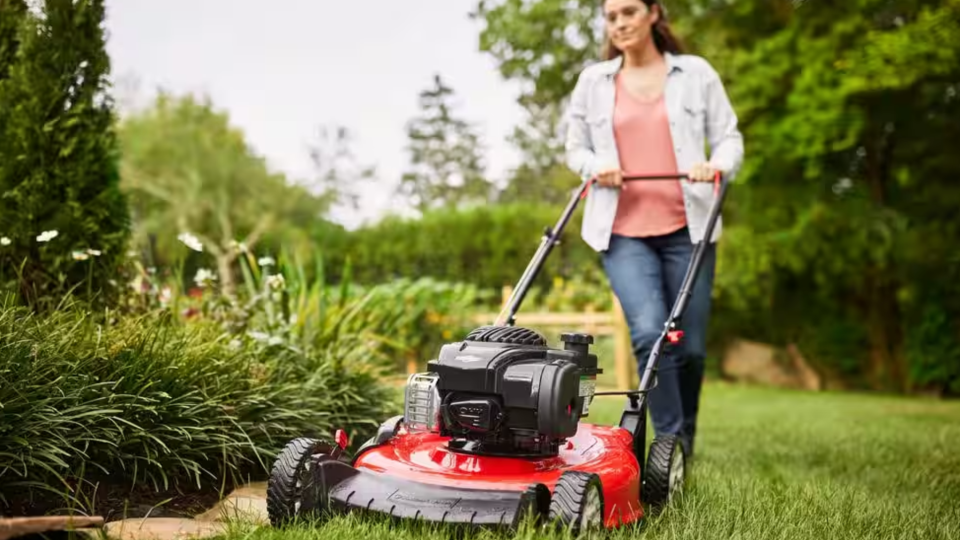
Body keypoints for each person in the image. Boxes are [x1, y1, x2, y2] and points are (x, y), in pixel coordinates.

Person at [563, 0, 744, 460]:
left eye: (629, 12)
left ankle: (682, 442)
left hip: (690, 229)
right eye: (612, 16)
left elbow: (729, 138)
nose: (620, 22)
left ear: (654, 13)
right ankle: (669, 447)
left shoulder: (695, 73)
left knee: (692, 349)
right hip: (622, 231)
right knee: (650, 333)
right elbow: (575, 148)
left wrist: (715, 166)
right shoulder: (595, 81)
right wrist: (596, 165)